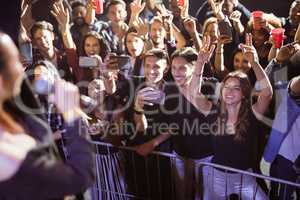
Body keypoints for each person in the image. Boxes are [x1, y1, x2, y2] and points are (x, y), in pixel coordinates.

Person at [0, 32, 95, 199]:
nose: (22, 69)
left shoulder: (11, 115)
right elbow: (80, 178)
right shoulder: (7, 154)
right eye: (15, 60)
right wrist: (72, 115)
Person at [202, 34, 272, 200]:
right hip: (216, 176)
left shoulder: (252, 114)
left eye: (236, 88)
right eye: (227, 87)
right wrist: (199, 63)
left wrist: (254, 62)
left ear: (244, 94)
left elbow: (267, 93)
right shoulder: (214, 113)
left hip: (244, 178)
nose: (230, 91)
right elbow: (192, 94)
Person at [165, 40, 218, 200]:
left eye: (182, 68)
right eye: (174, 68)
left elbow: (195, 96)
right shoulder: (170, 89)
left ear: (194, 67)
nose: (177, 72)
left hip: (205, 157)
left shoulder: (211, 86)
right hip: (181, 155)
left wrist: (200, 64)